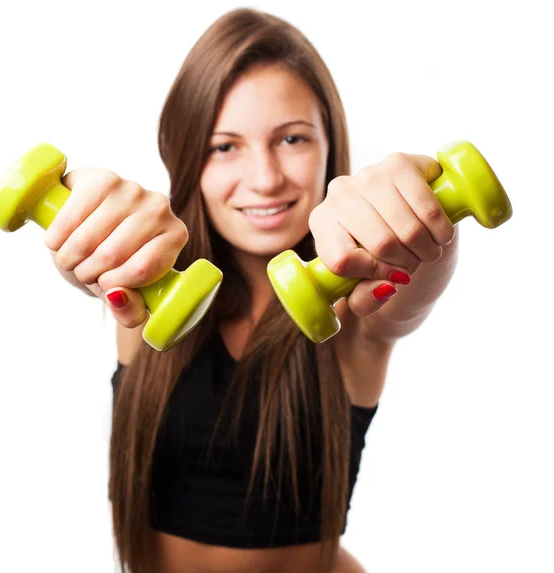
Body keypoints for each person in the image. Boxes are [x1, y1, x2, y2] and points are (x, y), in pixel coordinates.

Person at [46, 7, 458, 573]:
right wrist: (87, 237)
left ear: (329, 144)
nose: (265, 178)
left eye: (291, 138)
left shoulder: (356, 306)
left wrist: (426, 219)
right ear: (188, 157)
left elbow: (416, 288)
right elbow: (102, 263)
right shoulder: (149, 291)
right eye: (225, 146)